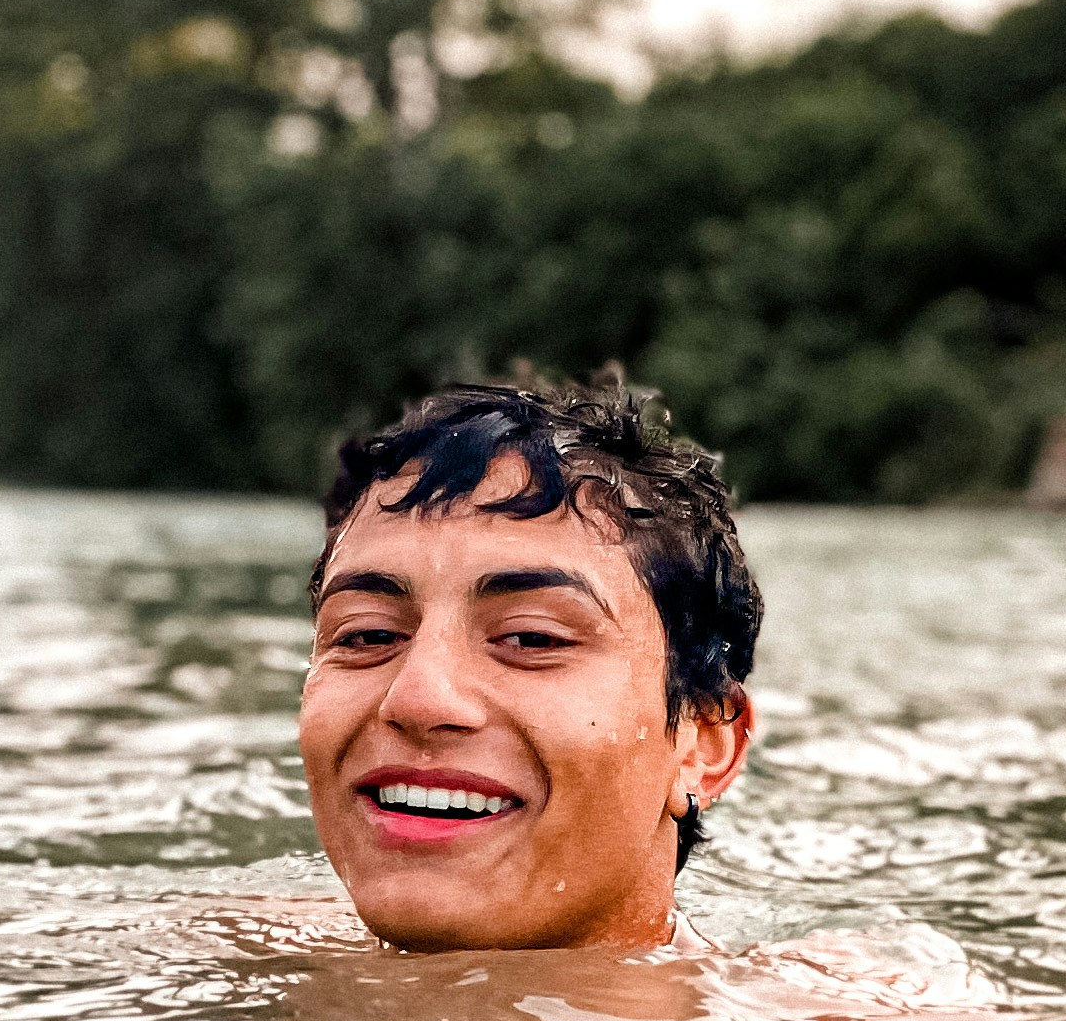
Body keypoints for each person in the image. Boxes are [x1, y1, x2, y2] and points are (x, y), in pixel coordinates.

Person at [300, 372, 758, 955]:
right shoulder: (217, 953)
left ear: (702, 747)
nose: (418, 700)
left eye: (532, 638)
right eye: (369, 634)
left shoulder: (832, 1012)